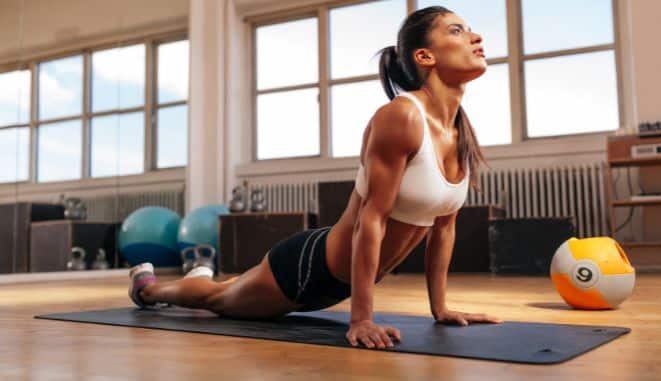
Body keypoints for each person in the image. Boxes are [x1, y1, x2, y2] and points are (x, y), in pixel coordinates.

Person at [128, 5, 502, 351]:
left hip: (337, 281)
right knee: (217, 302)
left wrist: (441, 309)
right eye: (457, 30)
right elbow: (370, 220)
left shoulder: (460, 132)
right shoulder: (401, 118)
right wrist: (361, 319)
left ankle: (198, 277)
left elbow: (444, 228)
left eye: (471, 30)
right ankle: (147, 289)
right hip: (308, 271)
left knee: (224, 294)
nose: (475, 37)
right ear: (426, 56)